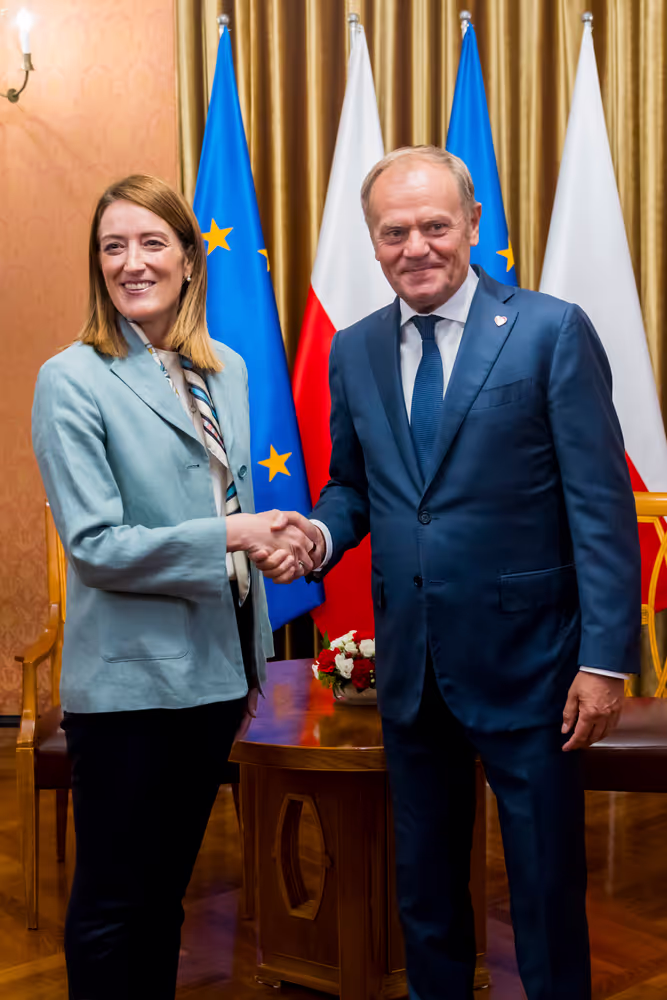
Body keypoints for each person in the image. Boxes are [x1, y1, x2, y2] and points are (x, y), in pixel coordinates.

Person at [302, 147, 641, 999]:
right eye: (393, 232)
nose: (414, 246)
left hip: (534, 669)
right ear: (372, 242)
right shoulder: (353, 351)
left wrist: (604, 662)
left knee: (543, 892)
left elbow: (598, 505)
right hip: (412, 670)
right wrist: (316, 533)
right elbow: (356, 487)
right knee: (424, 891)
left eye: (433, 226)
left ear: (473, 226)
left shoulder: (548, 329)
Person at [32, 174, 320, 1000]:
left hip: (218, 669)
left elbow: (218, 498)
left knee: (166, 898)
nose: (132, 263)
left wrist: (273, 544)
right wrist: (235, 534)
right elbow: (96, 546)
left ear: (189, 261)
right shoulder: (73, 377)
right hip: (128, 685)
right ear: (98, 265)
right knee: (114, 903)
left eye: (152, 242)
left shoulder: (223, 367)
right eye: (113, 246)